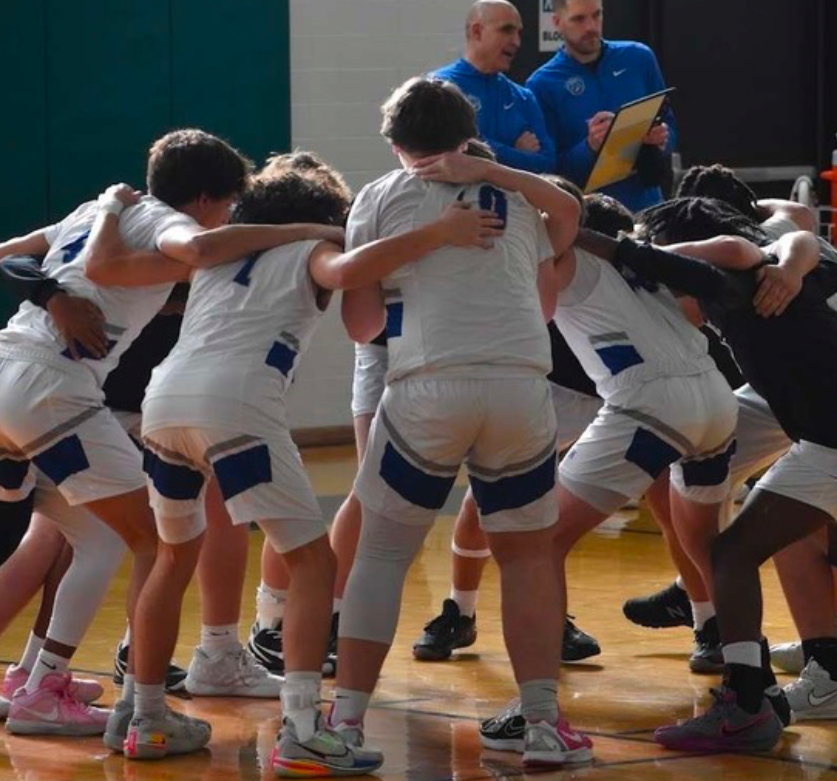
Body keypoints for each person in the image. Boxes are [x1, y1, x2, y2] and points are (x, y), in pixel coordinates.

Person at [90, 150, 498, 770]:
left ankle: (144, 717)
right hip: (235, 404)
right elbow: (345, 269)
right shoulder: (308, 248)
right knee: (313, 561)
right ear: (326, 214)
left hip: (165, 403)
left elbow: (122, 270)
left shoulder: (222, 253)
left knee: (171, 558)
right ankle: (305, 726)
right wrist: (435, 234)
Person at [0, 128, 331, 738]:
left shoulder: (102, 209)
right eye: (230, 203)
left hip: (10, 370)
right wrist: (302, 231)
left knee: (76, 535)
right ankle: (86, 695)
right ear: (206, 199)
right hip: (52, 387)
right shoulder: (162, 225)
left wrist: (52, 289)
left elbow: (11, 251)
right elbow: (200, 250)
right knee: (152, 545)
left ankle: (32, 677)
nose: (232, 215)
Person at [328, 76, 586, 769]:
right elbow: (563, 236)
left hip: (427, 386)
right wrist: (498, 171)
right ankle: (539, 723)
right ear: (467, 134)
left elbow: (362, 326)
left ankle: (346, 724)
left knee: (382, 552)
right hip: (520, 385)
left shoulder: (377, 199)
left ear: (392, 142)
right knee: (527, 556)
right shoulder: (517, 198)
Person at [604, 196, 837, 752]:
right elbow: (797, 222)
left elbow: (736, 248)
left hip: (830, 436)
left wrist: (629, 249)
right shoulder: (777, 251)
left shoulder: (735, 273)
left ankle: (746, 703)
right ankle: (810, 658)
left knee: (732, 555)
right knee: (778, 522)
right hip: (815, 426)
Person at [526, 0, 676, 212]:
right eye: (579, 19)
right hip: (589, 220)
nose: (591, 27)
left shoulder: (639, 58)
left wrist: (662, 139)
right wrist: (589, 147)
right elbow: (548, 171)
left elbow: (670, 125)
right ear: (557, 22)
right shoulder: (541, 84)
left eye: (597, 15)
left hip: (648, 208)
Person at [433, 0, 556, 173]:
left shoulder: (523, 97)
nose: (517, 41)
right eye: (506, 30)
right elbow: (457, 150)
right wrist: (516, 151)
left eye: (518, 33)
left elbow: (547, 163)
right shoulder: (440, 88)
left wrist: (490, 151)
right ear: (477, 32)